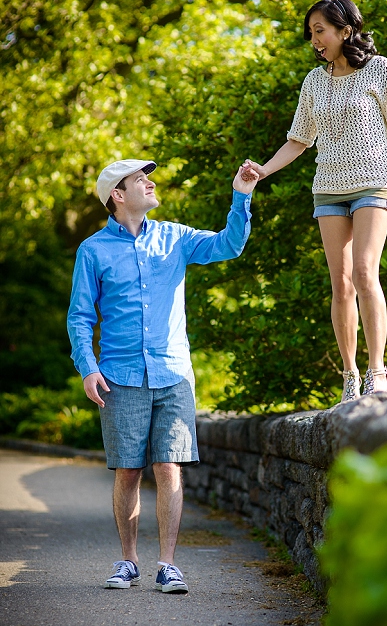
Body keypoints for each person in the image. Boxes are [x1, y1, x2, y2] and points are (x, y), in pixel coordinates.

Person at [67, 158, 258, 592]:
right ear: (118, 195)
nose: (151, 183)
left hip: (173, 372)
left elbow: (229, 245)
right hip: (119, 376)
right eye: (141, 179)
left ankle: (168, 564)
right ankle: (128, 561)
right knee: (129, 471)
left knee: (169, 466)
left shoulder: (176, 237)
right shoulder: (93, 250)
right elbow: (80, 317)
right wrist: (88, 368)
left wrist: (241, 195)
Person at [242, 0, 387, 402]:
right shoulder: (314, 82)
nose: (315, 40)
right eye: (311, 33)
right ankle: (350, 376)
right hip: (329, 188)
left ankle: (378, 371)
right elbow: (298, 140)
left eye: (320, 30)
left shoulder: (380, 70)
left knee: (363, 272)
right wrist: (264, 170)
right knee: (340, 284)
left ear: (345, 30)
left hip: (375, 182)